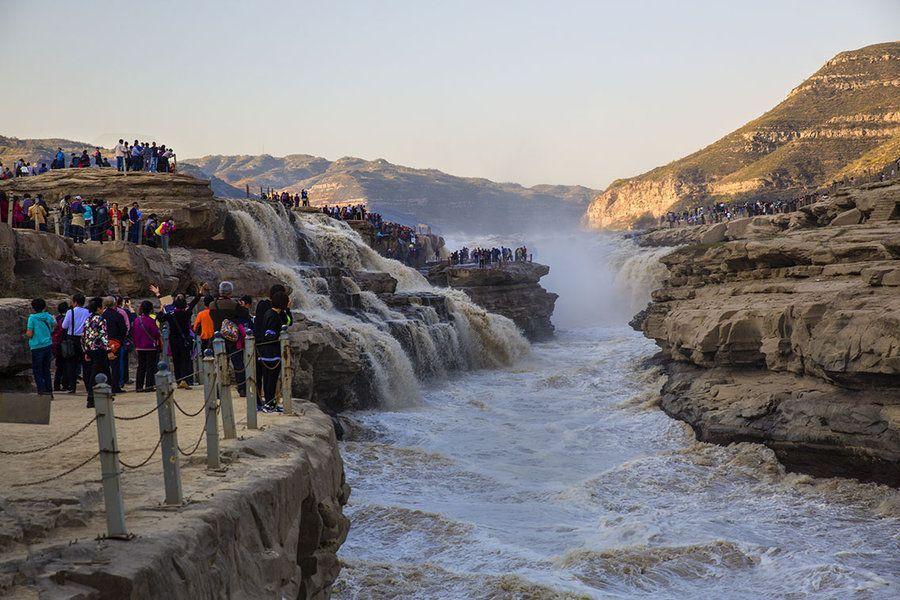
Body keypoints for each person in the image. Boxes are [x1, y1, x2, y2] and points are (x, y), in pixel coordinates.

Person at [208, 281, 249, 397]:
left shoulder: (212, 305)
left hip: (217, 337)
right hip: (232, 338)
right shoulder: (233, 304)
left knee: (219, 364)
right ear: (230, 292)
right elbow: (245, 314)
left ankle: (218, 390)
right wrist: (240, 306)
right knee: (238, 364)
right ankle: (242, 388)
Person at [257, 290, 290, 412]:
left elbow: (288, 321)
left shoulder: (275, 313)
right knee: (270, 379)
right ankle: (269, 403)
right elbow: (268, 334)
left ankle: (271, 403)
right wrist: (279, 336)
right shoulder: (272, 315)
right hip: (270, 353)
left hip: (269, 353)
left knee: (271, 379)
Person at [82, 297, 113, 408]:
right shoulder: (101, 320)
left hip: (90, 348)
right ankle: (91, 398)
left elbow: (85, 335)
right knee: (98, 373)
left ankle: (107, 393)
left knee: (102, 371)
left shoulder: (87, 319)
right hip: (99, 349)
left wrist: (86, 350)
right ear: (99, 308)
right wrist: (109, 350)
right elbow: (104, 336)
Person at [26, 298, 57, 396]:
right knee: (46, 369)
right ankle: (49, 391)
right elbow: (53, 326)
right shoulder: (48, 316)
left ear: (33, 308)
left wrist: (26, 334)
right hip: (47, 345)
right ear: (44, 307)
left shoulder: (32, 318)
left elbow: (30, 333)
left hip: (36, 346)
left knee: (37, 370)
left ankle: (41, 390)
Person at [60, 294, 90, 394]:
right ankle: (88, 385)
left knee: (71, 364)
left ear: (75, 302)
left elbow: (64, 326)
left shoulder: (70, 312)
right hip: (83, 338)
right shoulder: (87, 312)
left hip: (71, 338)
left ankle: (72, 387)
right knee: (85, 363)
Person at [132, 300, 162, 392]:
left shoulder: (137, 320)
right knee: (150, 367)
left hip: (139, 346)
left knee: (141, 366)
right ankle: (149, 385)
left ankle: (139, 386)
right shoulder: (150, 320)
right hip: (150, 346)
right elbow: (156, 333)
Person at [101, 297, 127, 393]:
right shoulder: (118, 315)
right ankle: (115, 386)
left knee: (105, 365)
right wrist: (121, 339)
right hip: (116, 341)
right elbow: (123, 329)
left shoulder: (103, 315)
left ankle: (106, 384)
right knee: (115, 365)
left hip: (105, 341)